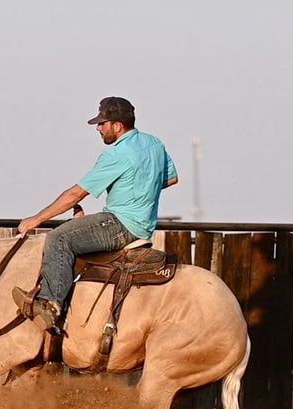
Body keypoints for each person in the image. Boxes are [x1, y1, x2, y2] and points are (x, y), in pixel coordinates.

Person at [13, 96, 179, 331]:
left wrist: (36, 219)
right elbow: (171, 178)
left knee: (59, 238)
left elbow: (76, 194)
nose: (99, 129)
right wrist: (141, 187)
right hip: (142, 225)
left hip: (120, 224)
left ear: (118, 125)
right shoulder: (154, 144)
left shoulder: (117, 154)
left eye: (102, 123)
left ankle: (50, 305)